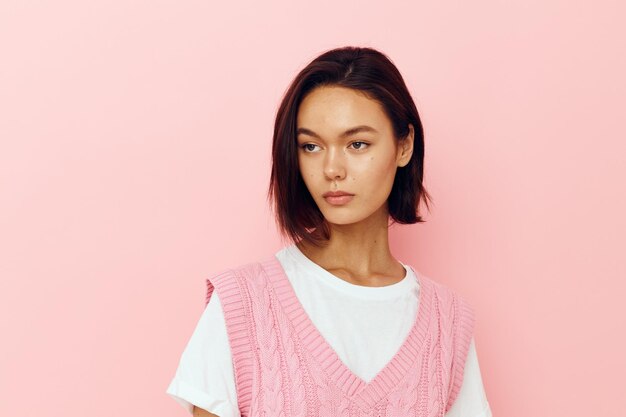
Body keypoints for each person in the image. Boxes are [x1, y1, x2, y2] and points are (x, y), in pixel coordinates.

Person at [166, 46, 492, 417]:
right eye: (311, 146)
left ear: (404, 146)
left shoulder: (447, 322)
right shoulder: (242, 304)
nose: (332, 168)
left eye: (357, 144)